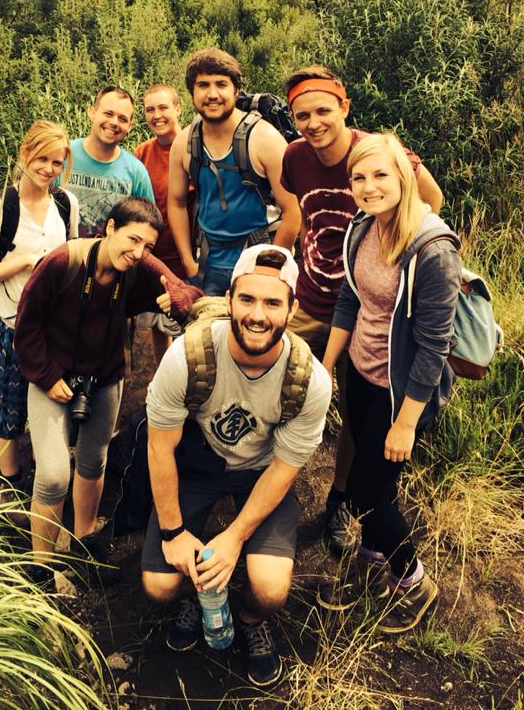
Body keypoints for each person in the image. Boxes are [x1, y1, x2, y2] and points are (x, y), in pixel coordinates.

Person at [142, 245, 331, 687]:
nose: (257, 315)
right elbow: (159, 447)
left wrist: (234, 538)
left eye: (272, 303)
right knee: (158, 586)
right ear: (229, 301)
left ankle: (248, 617)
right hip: (199, 466)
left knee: (270, 590)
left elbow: (284, 468)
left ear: (292, 309)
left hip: (260, 472)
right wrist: (173, 531)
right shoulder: (186, 356)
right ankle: (200, 595)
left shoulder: (309, 380)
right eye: (247, 299)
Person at [281, 66, 443, 553]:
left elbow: (430, 201)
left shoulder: (379, 154)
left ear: (345, 107)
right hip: (314, 299)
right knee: (280, 387)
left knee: (358, 419)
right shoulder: (294, 157)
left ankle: (341, 500)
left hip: (374, 310)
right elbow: (301, 214)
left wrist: (406, 265)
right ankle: (265, 486)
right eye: (302, 115)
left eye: (323, 110)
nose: (313, 123)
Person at [14, 196, 201, 589]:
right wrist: (47, 376)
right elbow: (26, 327)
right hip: (53, 379)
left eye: (147, 246)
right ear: (110, 228)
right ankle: (40, 568)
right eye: (133, 240)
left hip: (105, 377)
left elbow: (187, 293)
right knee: (53, 475)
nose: (139, 252)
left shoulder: (138, 265)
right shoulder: (62, 263)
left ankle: (84, 544)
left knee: (93, 461)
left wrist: (178, 301)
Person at [318, 132, 460, 632]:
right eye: (358, 177)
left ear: (403, 176)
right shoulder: (362, 226)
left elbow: (434, 346)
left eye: (380, 175)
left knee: (365, 494)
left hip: (402, 392)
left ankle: (414, 582)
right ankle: (375, 560)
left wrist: (405, 423)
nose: (369, 186)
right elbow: (350, 299)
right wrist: (327, 366)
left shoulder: (432, 249)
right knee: (377, 485)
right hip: (360, 373)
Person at [0, 120, 78, 509]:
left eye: (57, 163)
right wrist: (24, 261)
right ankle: (11, 487)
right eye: (42, 159)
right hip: (10, 325)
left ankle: (49, 474)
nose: (49, 169)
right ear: (23, 154)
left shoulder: (66, 203)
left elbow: (73, 255)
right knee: (9, 409)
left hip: (55, 327)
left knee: (56, 400)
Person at [168, 47, 300, 296]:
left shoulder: (264, 139)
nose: (212, 94)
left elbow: (293, 212)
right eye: (203, 85)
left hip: (259, 261)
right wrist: (188, 261)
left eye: (221, 84)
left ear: (236, 91)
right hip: (207, 265)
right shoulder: (184, 143)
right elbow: (176, 203)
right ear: (192, 92)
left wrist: (270, 268)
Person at [134, 83, 194, 363]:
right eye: (150, 110)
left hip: (188, 257)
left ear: (178, 108)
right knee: (158, 321)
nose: (156, 115)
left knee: (188, 324)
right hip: (153, 256)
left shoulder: (194, 148)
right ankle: (162, 375)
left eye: (163, 107)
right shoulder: (142, 153)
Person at [68, 85, 155, 237]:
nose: (114, 122)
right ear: (92, 112)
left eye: (123, 119)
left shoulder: (136, 172)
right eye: (108, 114)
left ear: (129, 126)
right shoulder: (63, 155)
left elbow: (147, 225)